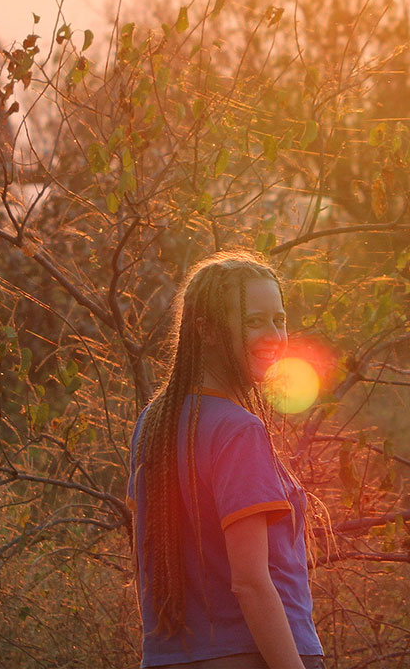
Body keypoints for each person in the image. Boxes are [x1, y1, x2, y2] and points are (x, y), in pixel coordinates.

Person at [128, 249, 325, 669]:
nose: (274, 334)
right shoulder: (239, 430)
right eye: (253, 320)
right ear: (208, 331)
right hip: (255, 656)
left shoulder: (154, 421)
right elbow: (251, 584)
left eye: (279, 318)